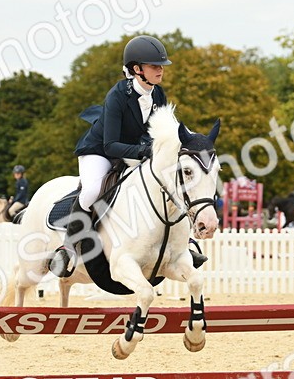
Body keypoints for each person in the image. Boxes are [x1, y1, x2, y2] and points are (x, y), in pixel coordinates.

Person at [54, 34, 209, 277]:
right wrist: (144, 151)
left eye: (161, 66)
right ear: (137, 69)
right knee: (93, 190)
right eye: (155, 66)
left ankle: (184, 245)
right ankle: (69, 247)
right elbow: (111, 145)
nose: (161, 70)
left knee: (170, 182)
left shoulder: (158, 94)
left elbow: (165, 128)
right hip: (100, 151)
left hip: (134, 149)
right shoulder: (117, 96)